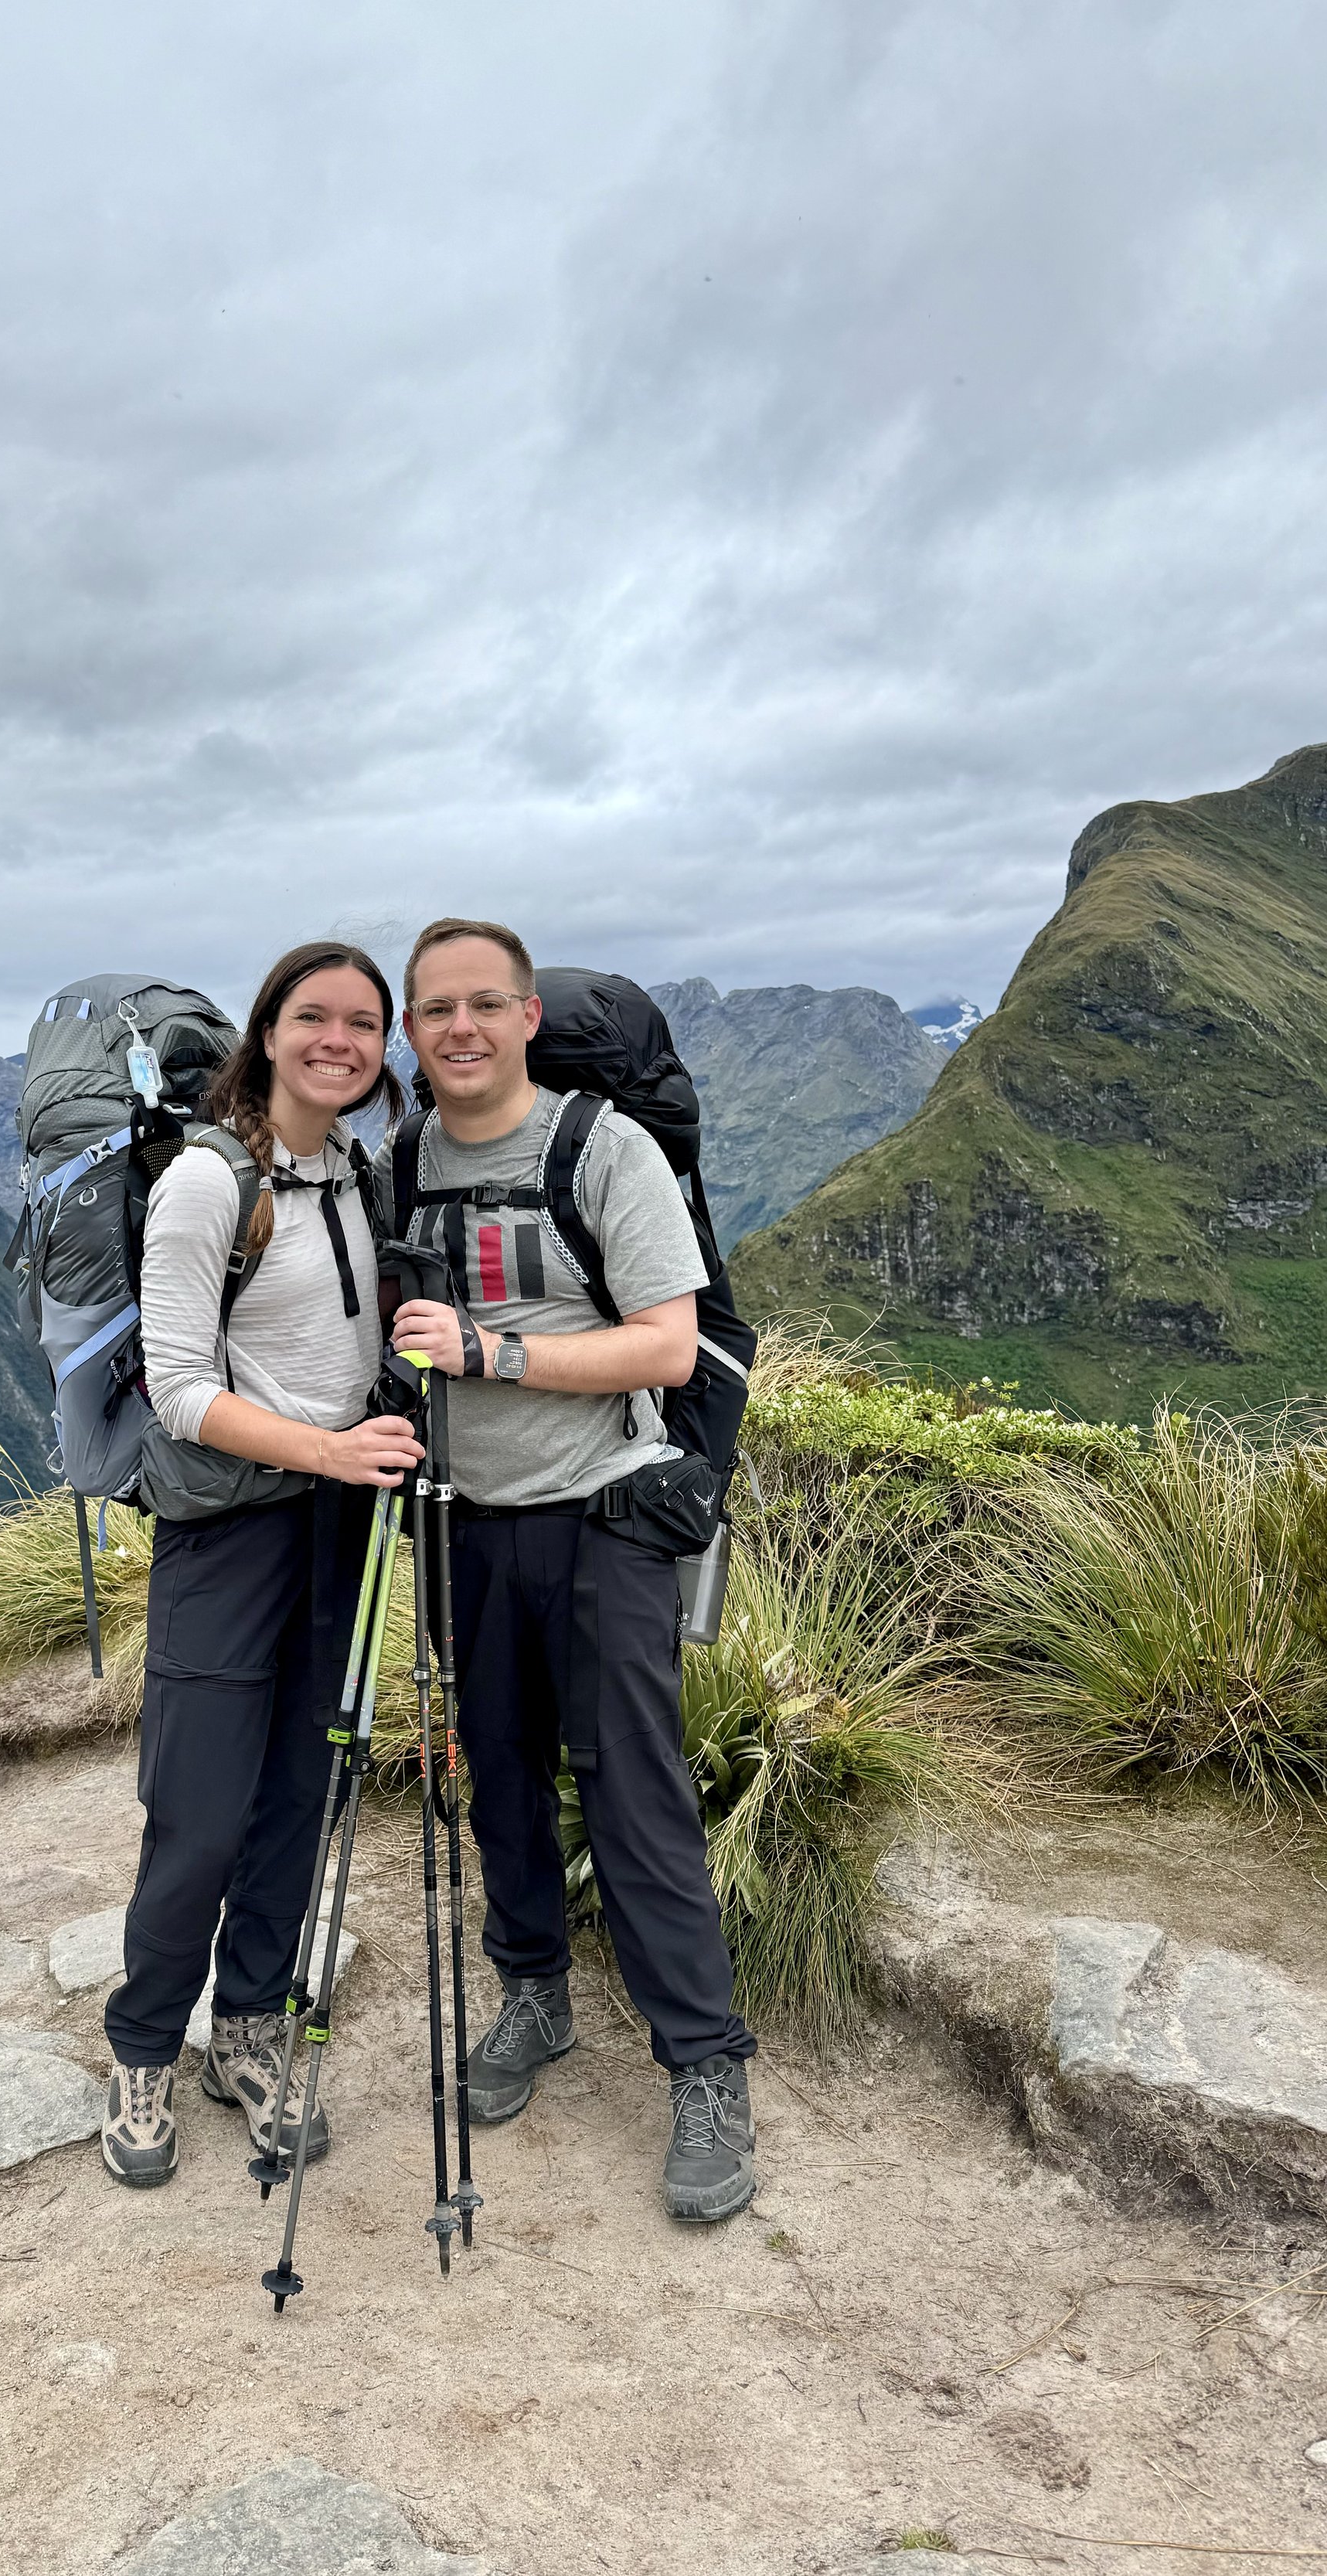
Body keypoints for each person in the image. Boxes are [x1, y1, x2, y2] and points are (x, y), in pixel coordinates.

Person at [381, 917, 758, 2223]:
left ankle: (705, 2064)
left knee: (633, 1793)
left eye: (486, 1003)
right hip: (465, 1522)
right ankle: (534, 1995)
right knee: (498, 1778)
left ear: (527, 1016)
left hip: (602, 1512)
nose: (463, 1028)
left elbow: (666, 1346)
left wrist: (493, 1353)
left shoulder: (603, 1150)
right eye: (438, 1008)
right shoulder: (400, 1164)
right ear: (412, 1029)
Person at [100, 941, 419, 2188]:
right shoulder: (206, 1181)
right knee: (200, 1805)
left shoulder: (357, 1174)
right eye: (315, 1017)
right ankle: (143, 2045)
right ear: (269, 1030)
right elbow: (180, 1390)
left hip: (341, 1524)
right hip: (229, 1529)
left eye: (363, 1024)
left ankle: (247, 2026)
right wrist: (330, 1452)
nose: (340, 1041)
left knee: (302, 1788)